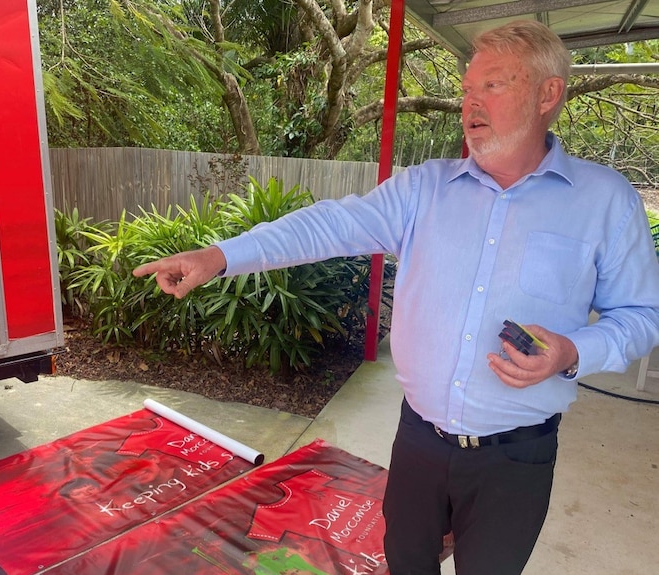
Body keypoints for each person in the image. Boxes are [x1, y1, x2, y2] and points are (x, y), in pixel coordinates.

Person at [133, 19, 659, 575]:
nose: (470, 103)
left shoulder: (604, 201)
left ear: (548, 94)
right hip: (419, 442)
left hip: (517, 457)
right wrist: (218, 257)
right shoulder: (423, 189)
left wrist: (572, 352)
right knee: (405, 564)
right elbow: (325, 226)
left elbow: (643, 316)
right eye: (466, 90)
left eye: (493, 86)